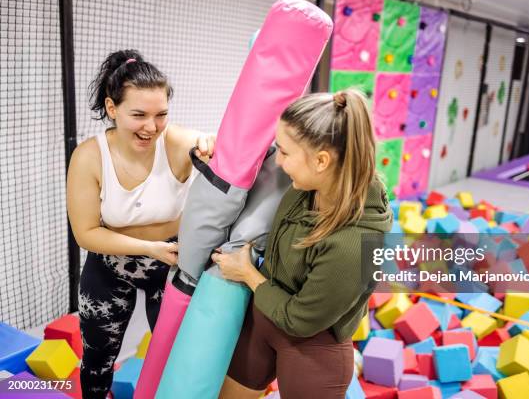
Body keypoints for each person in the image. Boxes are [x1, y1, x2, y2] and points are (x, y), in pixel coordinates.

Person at [212, 89, 393, 399]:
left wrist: (247, 274)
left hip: (312, 344)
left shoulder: (355, 243)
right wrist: (209, 145)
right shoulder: (307, 185)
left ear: (321, 160)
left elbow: (299, 320)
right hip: (262, 322)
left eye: (284, 152)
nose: (277, 162)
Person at [66, 49, 215, 398]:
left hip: (171, 262)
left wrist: (211, 141)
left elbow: (210, 141)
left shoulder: (175, 142)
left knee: (177, 358)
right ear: (112, 108)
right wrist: (149, 248)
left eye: (161, 114)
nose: (151, 126)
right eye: (139, 115)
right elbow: (86, 233)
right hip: (111, 265)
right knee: (97, 360)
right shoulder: (89, 156)